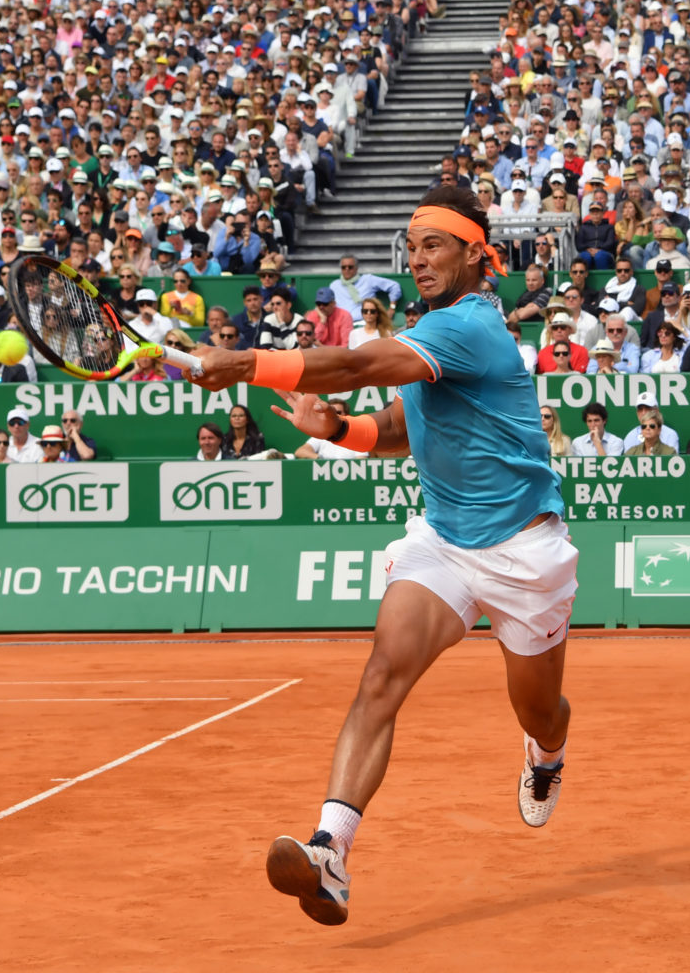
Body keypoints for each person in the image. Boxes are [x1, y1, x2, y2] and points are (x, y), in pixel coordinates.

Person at [185, 186, 576, 925]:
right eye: (413, 245)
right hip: (445, 542)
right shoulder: (430, 332)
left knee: (539, 709)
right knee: (382, 674)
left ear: (474, 253)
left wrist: (242, 365)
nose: (420, 259)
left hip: (526, 549)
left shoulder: (470, 328)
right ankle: (330, 851)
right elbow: (401, 428)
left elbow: (359, 367)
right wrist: (337, 429)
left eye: (436, 245)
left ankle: (548, 754)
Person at [325, 254, 403, 323]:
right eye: (343, 267)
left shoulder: (368, 280)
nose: (347, 269)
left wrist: (392, 308)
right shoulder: (334, 285)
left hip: (365, 323)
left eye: (350, 267)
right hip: (342, 324)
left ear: (356, 268)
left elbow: (394, 286)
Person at [294, 399, 370, 459]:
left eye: (338, 412)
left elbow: (361, 461)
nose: (334, 416)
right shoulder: (321, 434)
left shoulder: (357, 437)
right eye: (329, 413)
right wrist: (322, 460)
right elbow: (300, 451)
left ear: (347, 415)